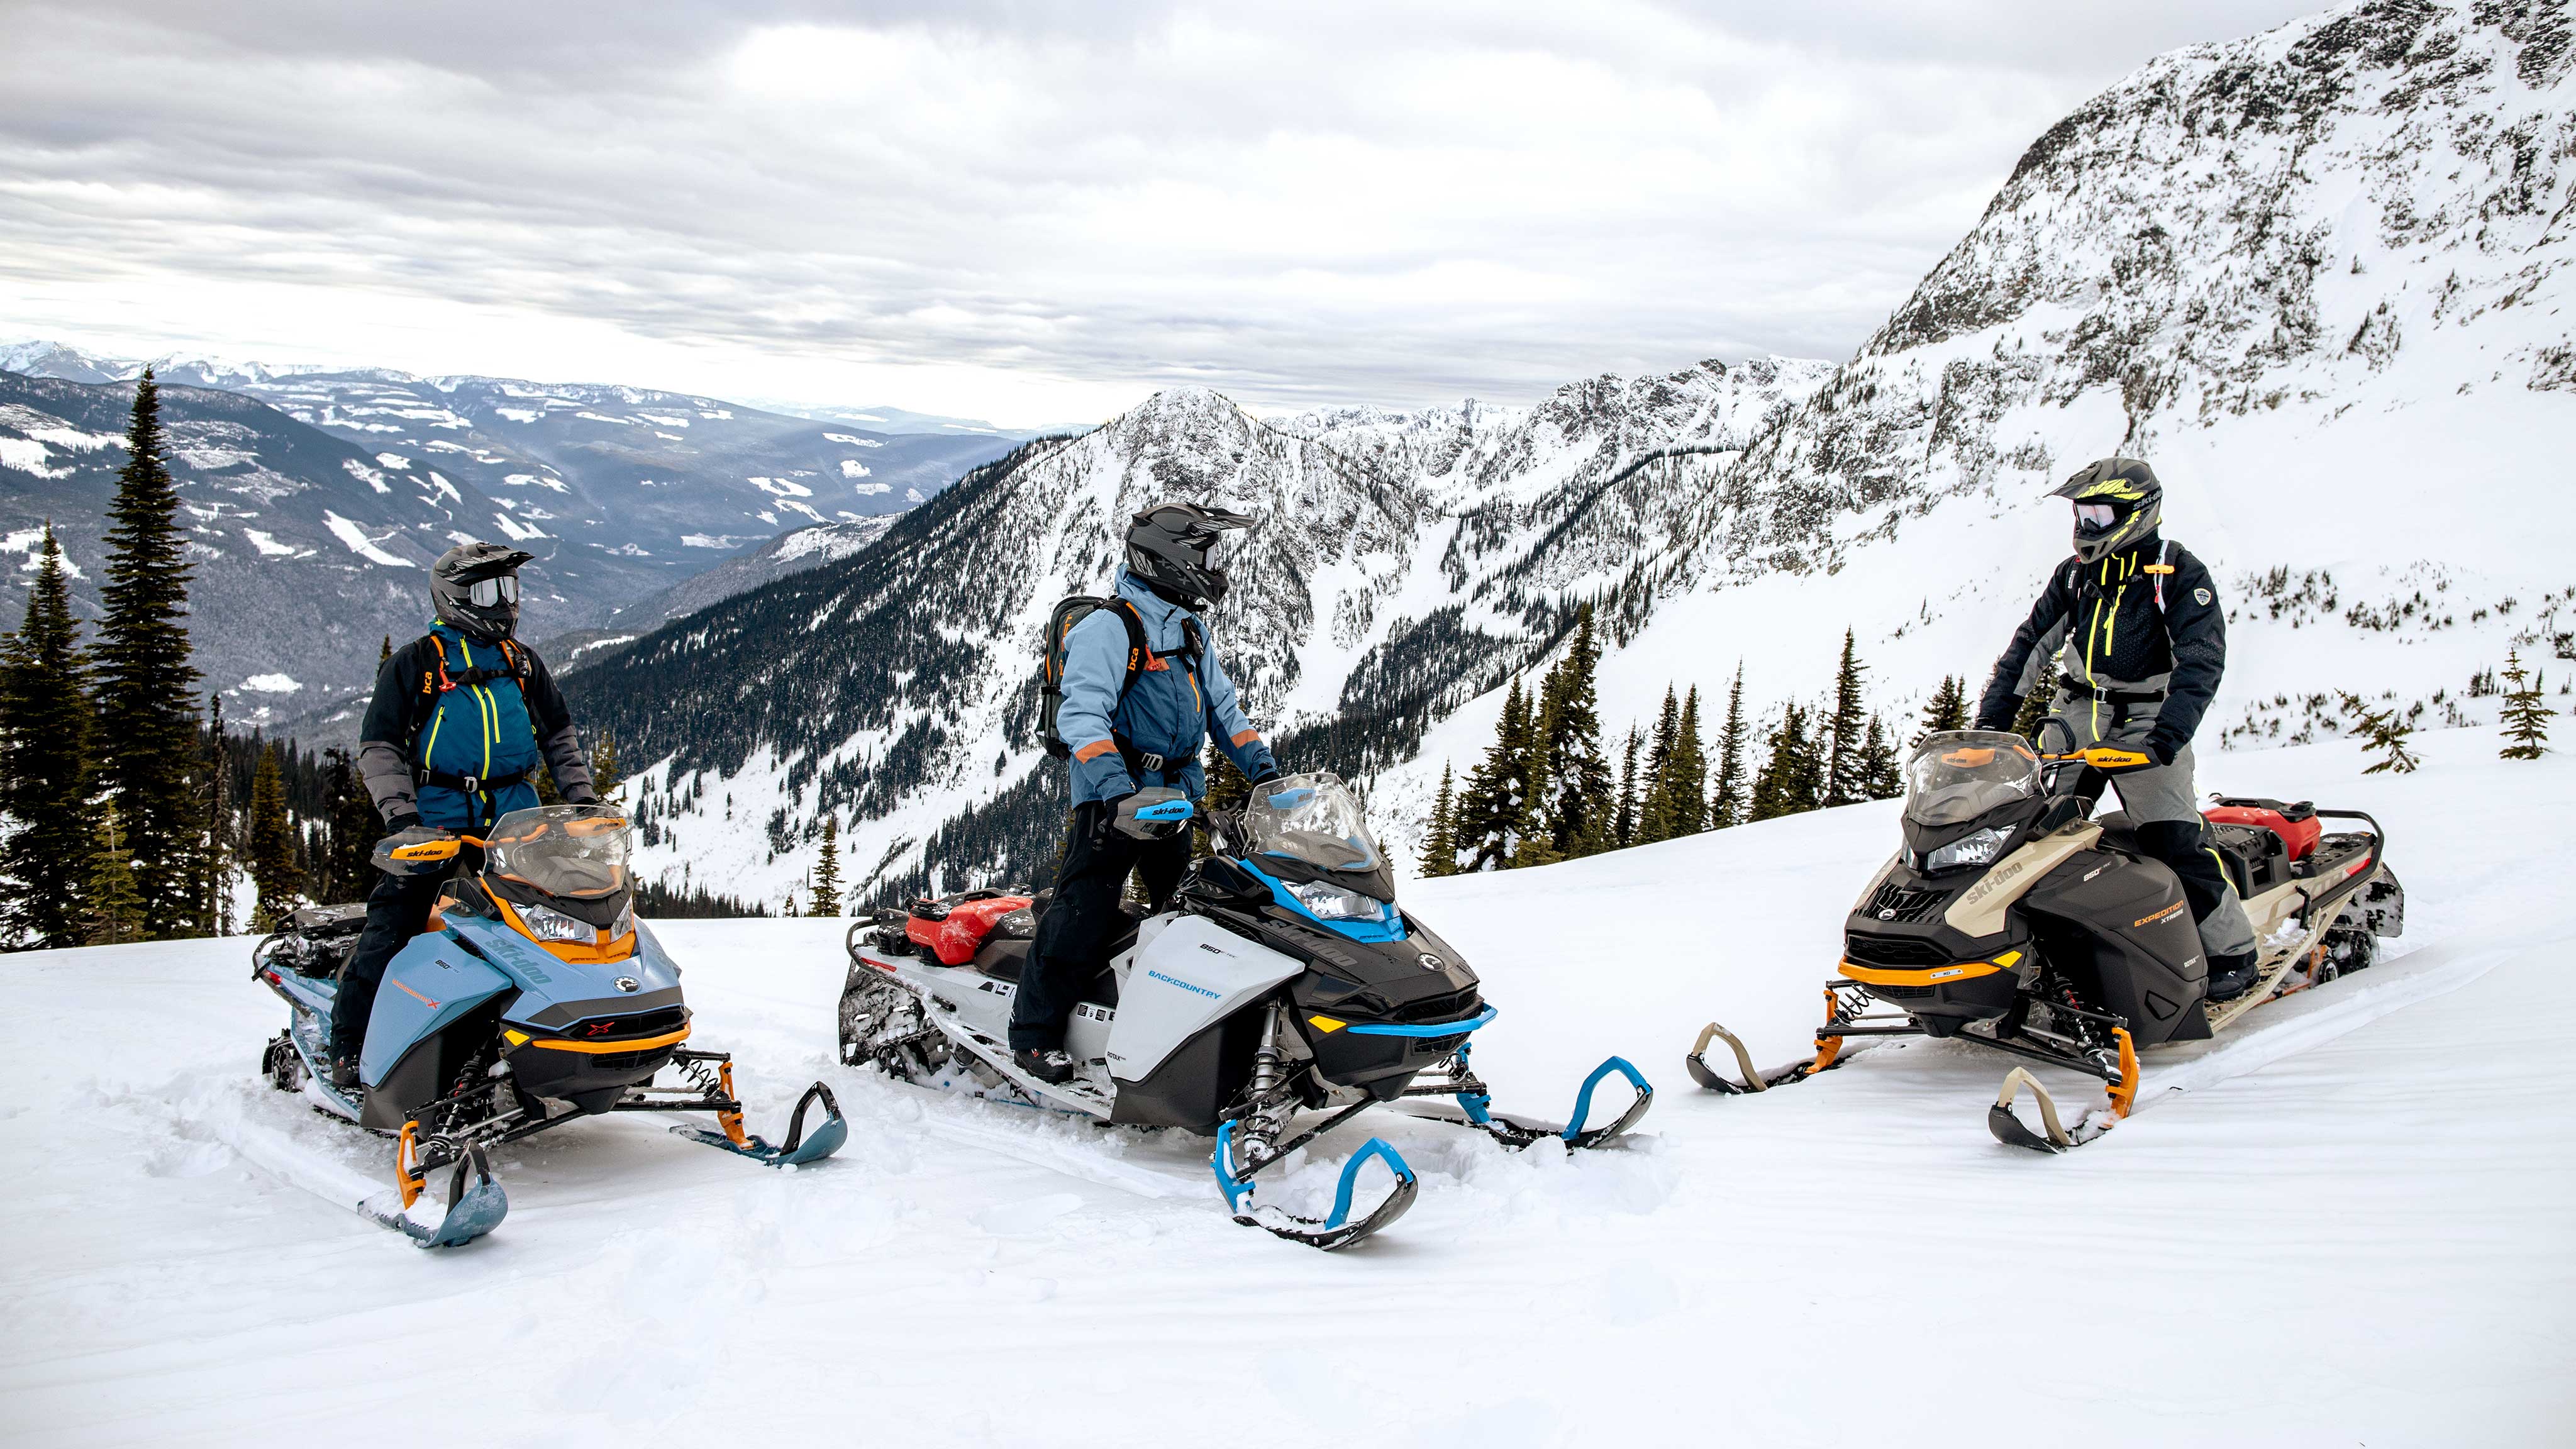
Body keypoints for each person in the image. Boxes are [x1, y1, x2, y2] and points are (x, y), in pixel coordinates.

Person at [1008, 502, 1280, 1083]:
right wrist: (1115, 791)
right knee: (1083, 910)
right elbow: (1083, 717)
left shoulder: (1189, 630)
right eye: (1204, 555)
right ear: (1171, 559)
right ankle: (1032, 1033)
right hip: (1115, 800)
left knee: (1182, 920)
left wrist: (1264, 770)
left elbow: (1224, 712)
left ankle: (1163, 1035)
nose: (1213, 566)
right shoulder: (1110, 628)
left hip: (1175, 798)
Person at [1972, 457, 2262, 1001]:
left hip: (2148, 718)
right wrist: (1992, 722)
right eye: (2083, 513)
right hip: (2077, 713)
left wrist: (2167, 737)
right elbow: (2030, 645)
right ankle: (2029, 953)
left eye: (2100, 513)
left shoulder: (2175, 572)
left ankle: (2232, 953)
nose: (2087, 526)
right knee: (2033, 831)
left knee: (2173, 837)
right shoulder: (2075, 574)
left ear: (2139, 512)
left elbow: (2201, 660)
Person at [330, 542, 598, 1089]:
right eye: (488, 591)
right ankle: (351, 1046)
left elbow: (559, 738)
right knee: (394, 927)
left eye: (509, 589)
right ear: (455, 598)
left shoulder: (521, 663)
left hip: (515, 828)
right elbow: (379, 746)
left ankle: (554, 1043)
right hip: (437, 826)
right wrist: (403, 819)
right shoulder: (417, 664)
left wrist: (583, 801)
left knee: (552, 930)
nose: (504, 603)